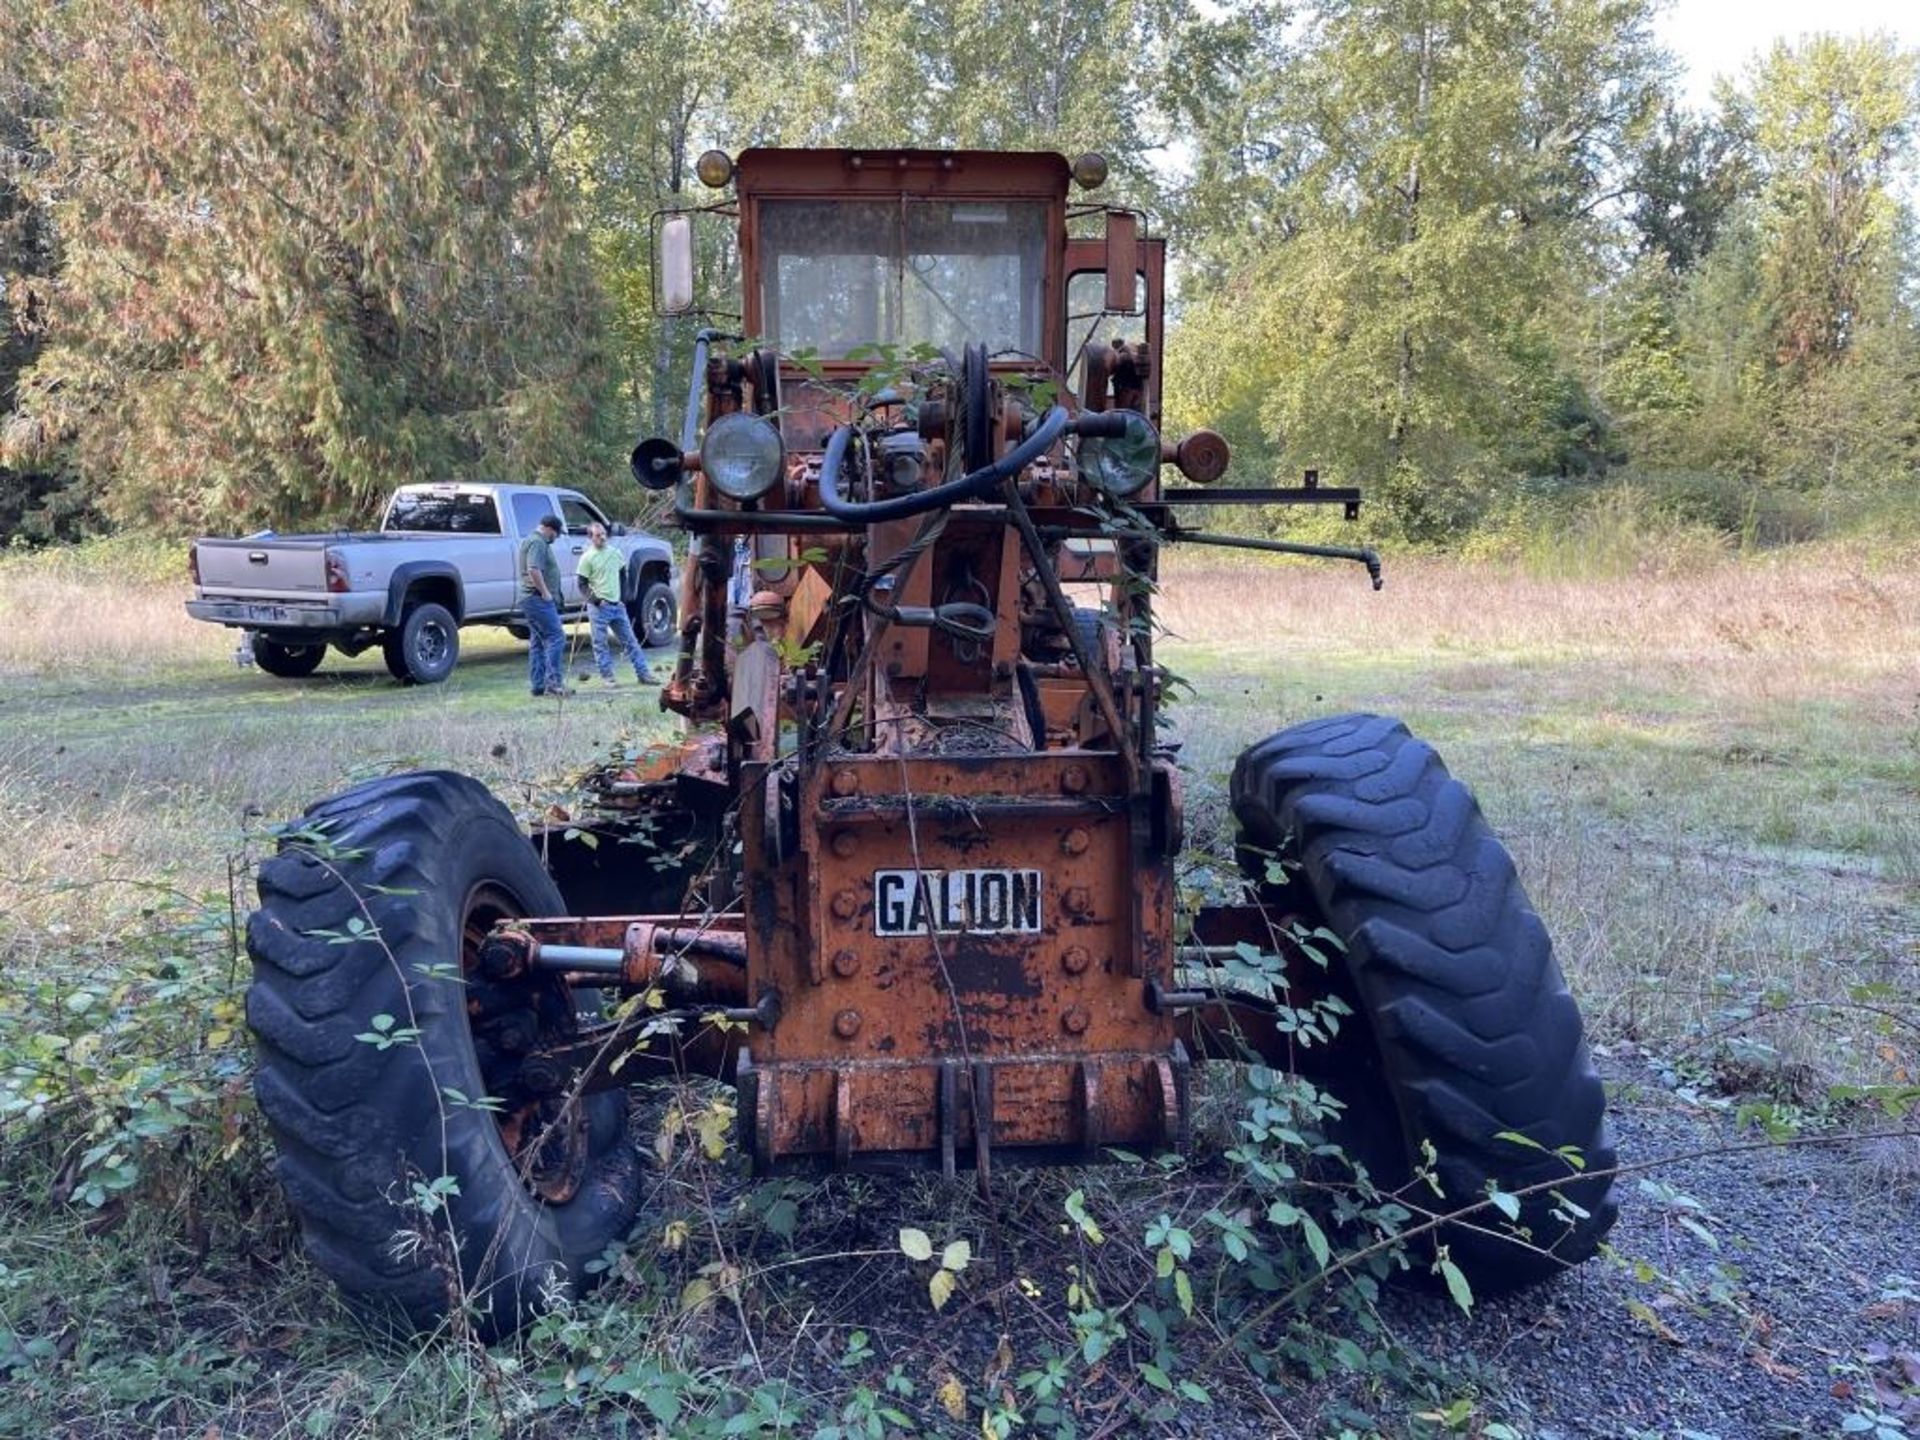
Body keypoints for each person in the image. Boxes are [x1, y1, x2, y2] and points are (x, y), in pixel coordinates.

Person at [577, 522, 658, 686]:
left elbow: (622, 574)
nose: (602, 538)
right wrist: (596, 600)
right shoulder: (587, 558)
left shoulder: (615, 553)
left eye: (603, 534)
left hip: (617, 606)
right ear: (591, 538)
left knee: (631, 642)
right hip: (599, 608)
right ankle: (608, 677)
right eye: (598, 535)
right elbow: (582, 584)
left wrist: (623, 597)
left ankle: (644, 674)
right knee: (600, 644)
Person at [520, 514, 570, 698]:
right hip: (537, 599)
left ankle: (538, 685)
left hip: (531, 599)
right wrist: (545, 592)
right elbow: (533, 569)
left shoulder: (535, 541)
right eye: (556, 534)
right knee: (556, 637)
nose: (556, 538)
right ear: (549, 529)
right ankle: (553, 684)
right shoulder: (538, 542)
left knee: (538, 643)